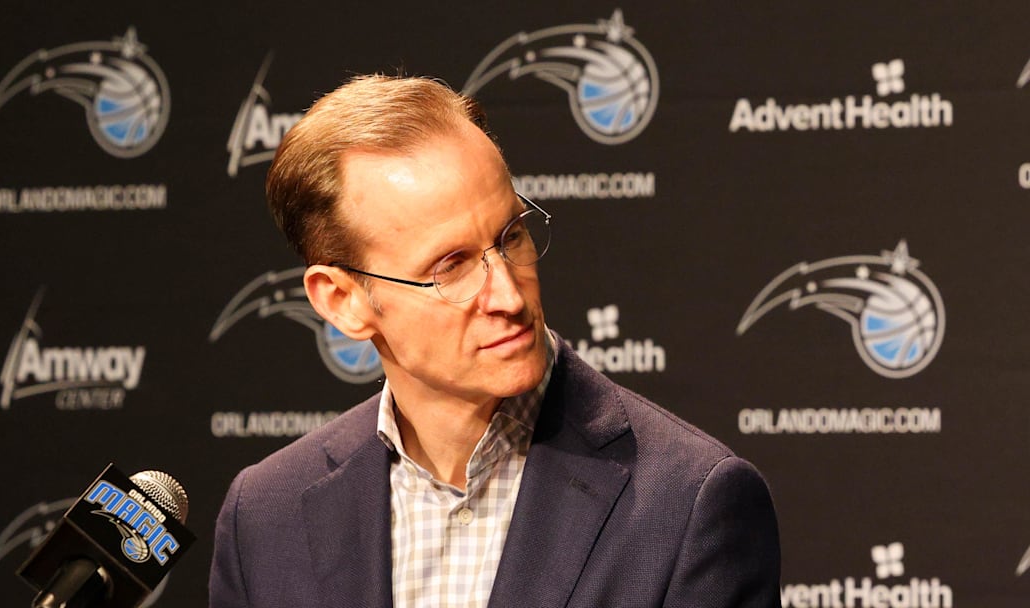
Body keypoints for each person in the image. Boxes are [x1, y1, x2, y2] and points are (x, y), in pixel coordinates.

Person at [209, 74, 781, 608]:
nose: (508, 295)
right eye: (451, 266)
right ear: (343, 300)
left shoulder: (688, 504)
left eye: (511, 236)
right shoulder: (263, 517)